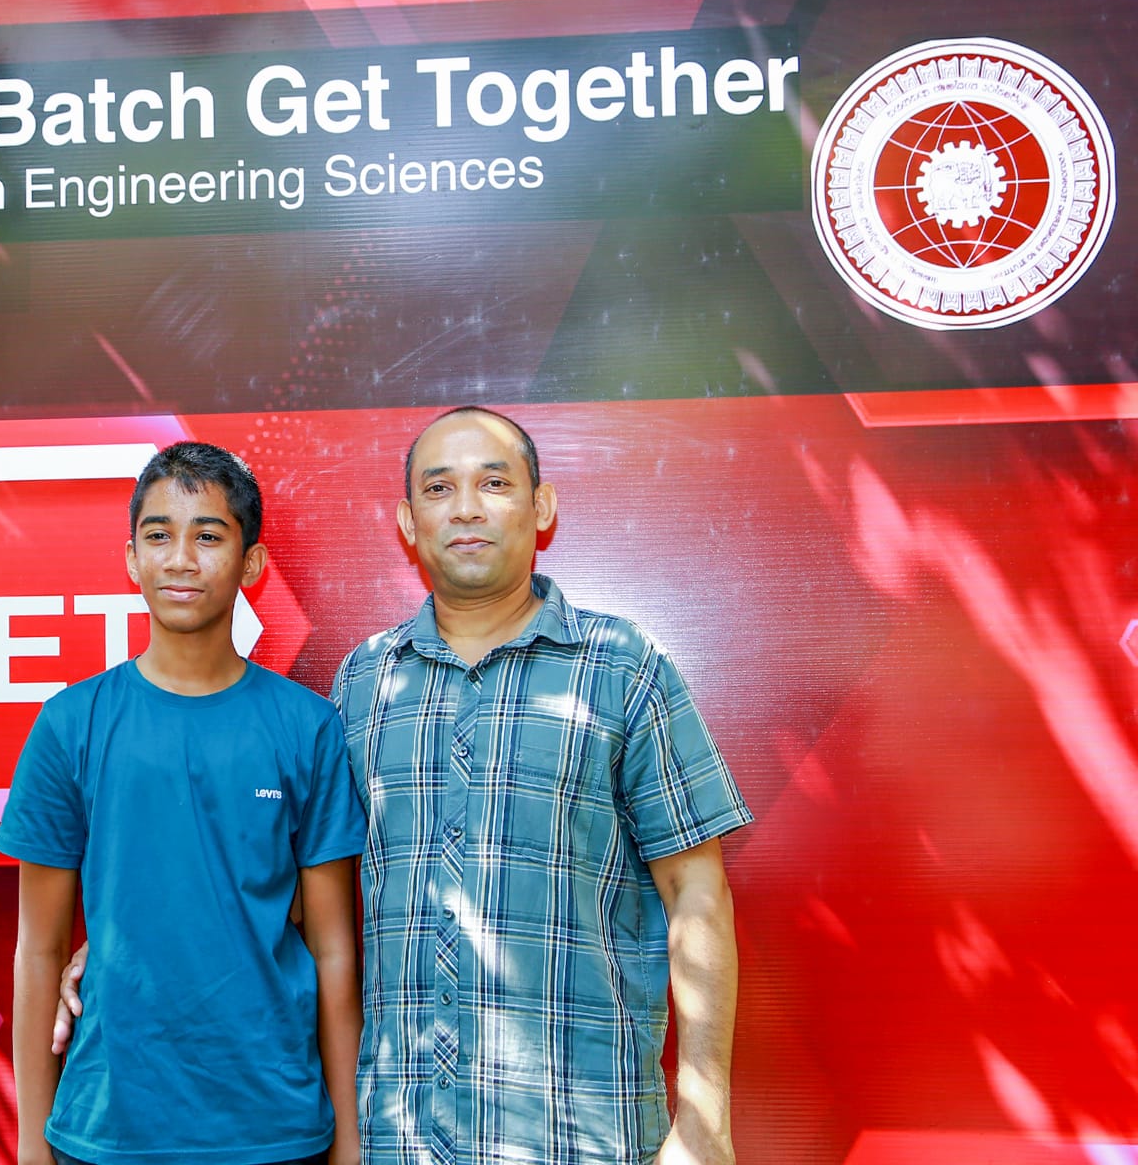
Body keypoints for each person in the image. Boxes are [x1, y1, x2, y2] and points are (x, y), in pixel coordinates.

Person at [59, 410, 751, 1165]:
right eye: (439, 487)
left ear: (541, 507)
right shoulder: (363, 683)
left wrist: (705, 1116)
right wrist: (126, 946)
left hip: (579, 1131)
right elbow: (282, 877)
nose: (465, 507)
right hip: (401, 1137)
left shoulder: (624, 668)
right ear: (408, 521)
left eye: (494, 483)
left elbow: (697, 892)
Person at [0, 441, 365, 1165]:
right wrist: (30, 1148)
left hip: (275, 1129)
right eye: (159, 535)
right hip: (107, 1129)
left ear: (251, 564)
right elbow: (39, 951)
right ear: (131, 559)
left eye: (209, 536)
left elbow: (332, 948)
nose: (181, 559)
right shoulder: (71, 725)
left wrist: (349, 1144)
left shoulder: (307, 726)